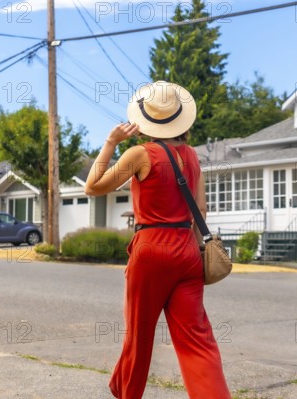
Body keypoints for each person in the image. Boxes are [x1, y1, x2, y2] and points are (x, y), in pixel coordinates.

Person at [85, 81, 231, 399]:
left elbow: (92, 186)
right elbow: (201, 209)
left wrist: (111, 142)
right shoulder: (192, 156)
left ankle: (126, 393)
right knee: (197, 339)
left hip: (151, 249)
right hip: (188, 249)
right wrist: (191, 250)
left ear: (146, 119)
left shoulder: (140, 153)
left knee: (139, 336)